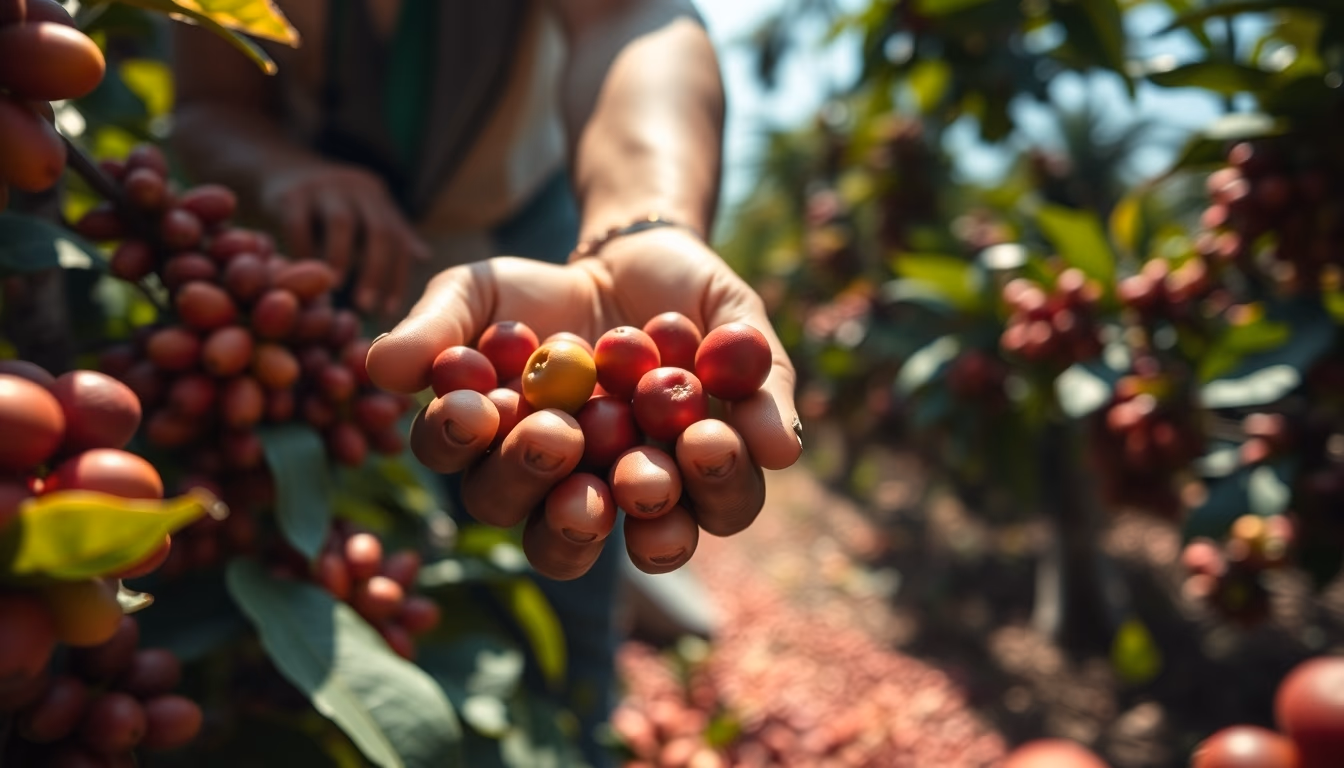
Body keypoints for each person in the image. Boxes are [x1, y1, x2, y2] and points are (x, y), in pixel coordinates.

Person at [168, 1, 803, 764]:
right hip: (324, 235)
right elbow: (207, 102)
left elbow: (632, 20)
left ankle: (577, 721)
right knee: (329, 468)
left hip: (524, 218)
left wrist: (646, 221)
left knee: (581, 518)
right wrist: (283, 170)